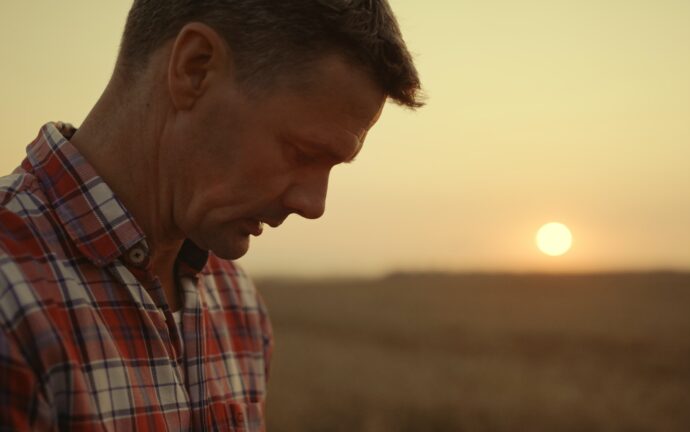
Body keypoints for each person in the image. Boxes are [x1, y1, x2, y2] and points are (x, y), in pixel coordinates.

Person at [0, 0, 422, 430]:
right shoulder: (9, 297)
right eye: (303, 152)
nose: (314, 205)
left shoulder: (237, 302)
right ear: (194, 68)